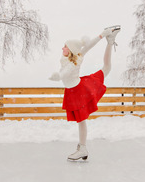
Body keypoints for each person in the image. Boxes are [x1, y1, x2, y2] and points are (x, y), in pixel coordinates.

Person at [49, 25, 121, 161]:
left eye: (65, 46)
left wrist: (58, 76)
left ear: (70, 50)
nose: (62, 48)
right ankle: (82, 147)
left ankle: (82, 148)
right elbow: (89, 45)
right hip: (74, 90)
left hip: (79, 90)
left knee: (106, 69)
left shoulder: (74, 62)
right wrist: (102, 35)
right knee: (106, 69)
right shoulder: (73, 57)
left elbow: (65, 72)